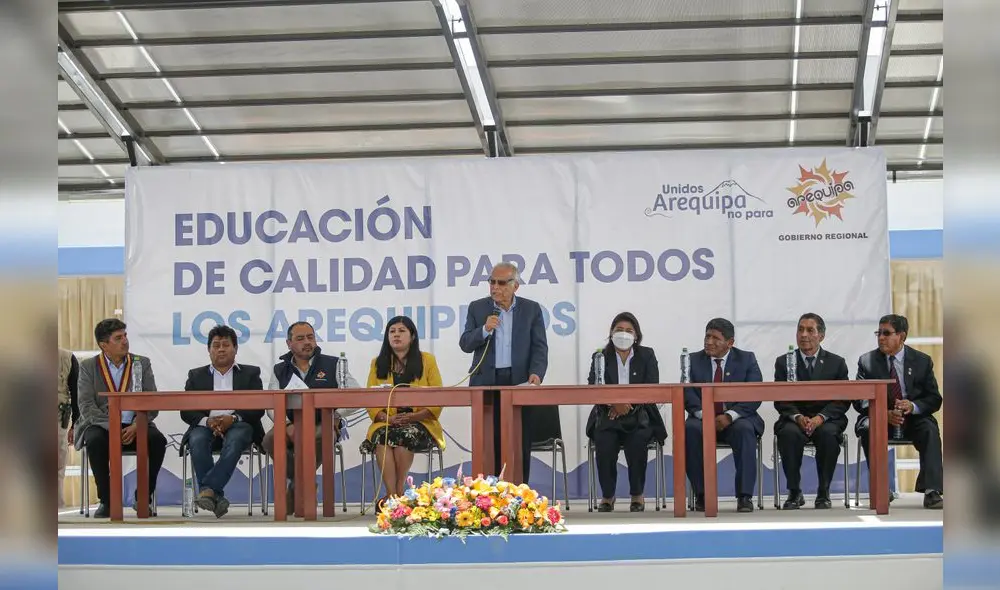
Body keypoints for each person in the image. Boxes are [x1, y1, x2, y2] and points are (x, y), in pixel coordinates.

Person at [459, 261, 556, 484]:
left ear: (515, 286)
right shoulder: (478, 308)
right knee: (488, 442)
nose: (495, 288)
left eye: (501, 283)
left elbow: (540, 347)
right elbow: (465, 343)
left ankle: (519, 493)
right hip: (486, 383)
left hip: (519, 383)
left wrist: (537, 374)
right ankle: (487, 495)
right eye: (492, 282)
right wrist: (484, 330)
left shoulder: (531, 309)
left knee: (518, 441)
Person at [261, 321, 359, 516]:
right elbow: (271, 405)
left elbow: (354, 396)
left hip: (323, 422)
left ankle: (298, 488)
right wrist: (285, 424)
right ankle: (303, 484)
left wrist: (335, 415)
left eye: (310, 337)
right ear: (289, 343)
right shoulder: (279, 369)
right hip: (291, 424)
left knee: (317, 436)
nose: (307, 342)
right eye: (300, 338)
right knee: (269, 439)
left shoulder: (334, 364)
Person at [73, 318, 166, 518]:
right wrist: (112, 426)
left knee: (158, 441)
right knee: (95, 440)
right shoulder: (88, 367)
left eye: (125, 336)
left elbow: (152, 401)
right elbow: (86, 406)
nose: (125, 341)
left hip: (136, 423)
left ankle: (143, 496)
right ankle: (107, 500)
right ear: (104, 345)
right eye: (118, 338)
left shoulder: (141, 363)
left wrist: (135, 425)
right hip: (101, 424)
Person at [854, 314, 943, 509]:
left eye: (887, 333)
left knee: (929, 428)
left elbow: (934, 399)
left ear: (902, 336)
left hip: (912, 418)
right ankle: (881, 489)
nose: (881, 338)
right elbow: (859, 401)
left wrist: (913, 406)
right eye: (879, 333)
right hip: (880, 417)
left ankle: (932, 491)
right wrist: (883, 413)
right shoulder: (867, 361)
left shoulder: (922, 361)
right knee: (869, 427)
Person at [179, 325, 265, 518]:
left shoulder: (250, 374)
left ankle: (208, 490)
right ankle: (215, 495)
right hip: (206, 425)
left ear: (235, 348)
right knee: (197, 439)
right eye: (216, 345)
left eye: (226, 345)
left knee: (236, 437)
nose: (221, 349)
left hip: (239, 424)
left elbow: (258, 407)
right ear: (209, 350)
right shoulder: (196, 375)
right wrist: (207, 421)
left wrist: (232, 418)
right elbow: (186, 410)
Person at [585, 312, 666, 512]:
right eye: (619, 330)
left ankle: (637, 495)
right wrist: (613, 404)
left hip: (640, 415)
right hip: (608, 415)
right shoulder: (600, 356)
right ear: (611, 334)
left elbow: (651, 386)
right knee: (604, 441)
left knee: (637, 441)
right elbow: (593, 385)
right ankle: (607, 496)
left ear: (636, 335)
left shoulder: (647, 355)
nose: (624, 334)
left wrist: (626, 404)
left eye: (629, 331)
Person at [684, 317, 764, 513]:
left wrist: (730, 416)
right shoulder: (693, 360)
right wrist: (705, 415)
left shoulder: (747, 359)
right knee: (690, 429)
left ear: (730, 343)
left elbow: (755, 393)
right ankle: (702, 495)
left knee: (745, 430)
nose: (709, 342)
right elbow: (686, 392)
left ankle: (744, 497)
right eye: (707, 336)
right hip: (703, 419)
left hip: (736, 420)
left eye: (715, 338)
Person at [364, 316, 445, 503]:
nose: (396, 335)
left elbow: (438, 396)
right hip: (387, 422)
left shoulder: (427, 360)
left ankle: (397, 493)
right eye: (392, 332)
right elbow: (369, 399)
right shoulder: (377, 363)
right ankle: (393, 495)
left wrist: (413, 416)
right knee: (382, 437)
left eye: (401, 331)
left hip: (420, 422)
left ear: (413, 336)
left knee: (402, 436)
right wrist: (387, 418)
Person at [773, 313, 850, 509]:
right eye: (800, 329)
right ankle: (794, 492)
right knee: (788, 434)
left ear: (821, 336)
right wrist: (798, 417)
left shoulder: (836, 362)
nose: (804, 335)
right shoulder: (783, 362)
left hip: (826, 419)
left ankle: (823, 492)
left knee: (828, 435)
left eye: (810, 330)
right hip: (794, 418)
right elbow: (780, 399)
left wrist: (820, 418)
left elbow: (843, 399)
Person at [58, 348, 79, 509]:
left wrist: (76, 424)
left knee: (57, 466)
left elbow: (76, 393)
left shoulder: (67, 358)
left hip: (57, 418)